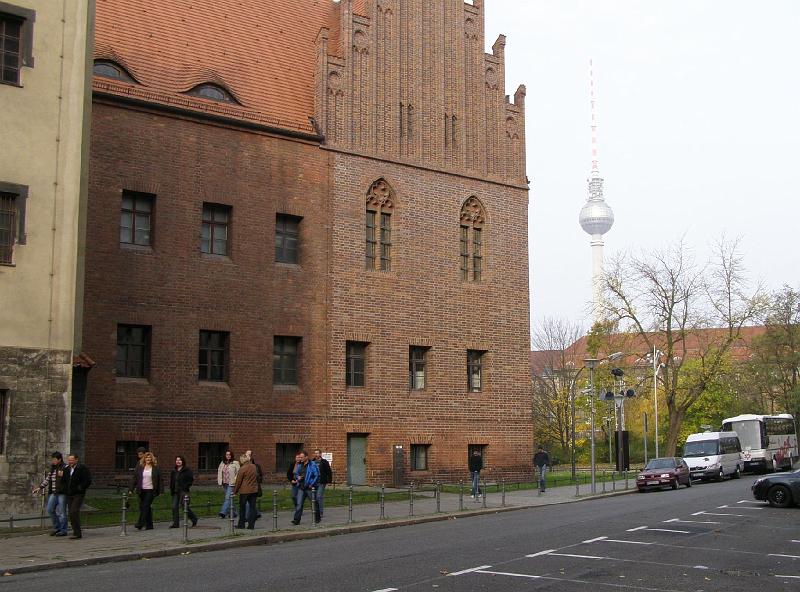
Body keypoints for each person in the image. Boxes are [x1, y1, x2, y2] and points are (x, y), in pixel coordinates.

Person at [33, 452, 68, 536]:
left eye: (55, 459)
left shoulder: (65, 467)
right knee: (50, 509)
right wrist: (40, 487)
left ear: (59, 459)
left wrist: (63, 475)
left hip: (62, 493)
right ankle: (57, 528)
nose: (53, 461)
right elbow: (48, 479)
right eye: (52, 460)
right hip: (53, 492)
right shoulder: (53, 468)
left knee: (61, 512)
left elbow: (69, 479)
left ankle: (63, 530)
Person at [61, 453, 91, 539]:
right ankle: (75, 531)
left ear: (76, 460)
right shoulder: (66, 469)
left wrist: (80, 487)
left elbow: (87, 480)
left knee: (74, 511)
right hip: (69, 493)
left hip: (78, 493)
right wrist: (65, 489)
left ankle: (78, 533)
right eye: (69, 460)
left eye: (72, 460)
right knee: (71, 513)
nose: (70, 462)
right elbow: (63, 481)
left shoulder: (82, 468)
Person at [130, 451, 161, 530]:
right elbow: (135, 478)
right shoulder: (140, 467)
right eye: (147, 457)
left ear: (152, 459)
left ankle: (140, 523)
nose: (148, 459)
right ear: (144, 459)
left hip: (150, 490)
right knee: (145, 507)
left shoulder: (155, 468)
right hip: (141, 490)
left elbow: (160, 479)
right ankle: (150, 525)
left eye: (150, 457)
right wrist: (131, 489)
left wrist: (161, 490)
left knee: (145, 506)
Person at [290, 450, 319, 525]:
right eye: (300, 457)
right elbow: (296, 474)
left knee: (313, 503)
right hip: (301, 487)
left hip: (309, 487)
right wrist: (297, 477)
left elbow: (316, 475)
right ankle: (296, 520)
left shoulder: (312, 464)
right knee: (299, 504)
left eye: (302, 457)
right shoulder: (300, 465)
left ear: (306, 457)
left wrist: (311, 484)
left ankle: (317, 518)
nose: (301, 459)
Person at [169, 455, 197, 528]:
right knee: (174, 507)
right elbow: (172, 481)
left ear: (183, 461)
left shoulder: (187, 470)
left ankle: (193, 518)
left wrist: (186, 486)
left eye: (180, 460)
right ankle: (175, 523)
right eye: (177, 460)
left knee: (184, 506)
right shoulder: (174, 471)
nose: (178, 461)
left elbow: (190, 480)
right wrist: (171, 489)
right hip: (175, 491)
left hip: (183, 491)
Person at [233, 454, 258, 529]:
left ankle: (241, 524)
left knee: (242, 508)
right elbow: (257, 476)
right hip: (254, 490)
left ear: (242, 460)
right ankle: (251, 525)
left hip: (245, 491)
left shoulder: (242, 468)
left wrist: (235, 491)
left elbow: (238, 481)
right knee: (252, 507)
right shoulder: (254, 466)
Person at [217, 449, 239, 518]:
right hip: (225, 483)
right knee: (230, 498)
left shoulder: (235, 463)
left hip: (231, 483)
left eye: (229, 455)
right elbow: (219, 472)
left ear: (231, 455)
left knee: (227, 498)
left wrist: (235, 480)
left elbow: (239, 473)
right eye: (227, 454)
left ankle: (223, 512)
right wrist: (219, 480)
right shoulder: (222, 463)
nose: (228, 456)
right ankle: (234, 512)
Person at [312, 449, 332, 522]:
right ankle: (316, 511)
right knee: (314, 497)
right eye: (315, 453)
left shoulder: (324, 462)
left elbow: (329, 471)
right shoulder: (312, 462)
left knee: (319, 496)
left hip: (321, 481)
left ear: (320, 454)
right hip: (314, 482)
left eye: (317, 453)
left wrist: (329, 481)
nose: (316, 455)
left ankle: (320, 512)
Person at [245, 450, 262, 520]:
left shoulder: (256, 466)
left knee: (248, 503)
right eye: (247, 455)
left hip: (254, 487)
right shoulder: (243, 466)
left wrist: (257, 480)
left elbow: (260, 477)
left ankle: (246, 518)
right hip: (246, 487)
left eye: (249, 455)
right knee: (249, 503)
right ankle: (257, 513)